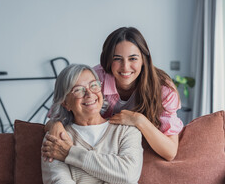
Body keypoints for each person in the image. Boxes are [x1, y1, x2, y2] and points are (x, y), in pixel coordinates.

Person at [45, 27, 183, 161]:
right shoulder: (95, 79)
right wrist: (55, 125)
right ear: (108, 60)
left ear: (143, 60)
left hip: (133, 152)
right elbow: (57, 113)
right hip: (99, 151)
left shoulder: (163, 89)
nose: (125, 67)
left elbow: (170, 152)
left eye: (133, 58)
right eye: (117, 59)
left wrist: (138, 120)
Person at [41, 64, 147, 184]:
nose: (89, 93)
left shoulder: (126, 130)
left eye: (93, 85)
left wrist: (70, 153)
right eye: (78, 89)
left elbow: (128, 174)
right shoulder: (57, 138)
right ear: (65, 103)